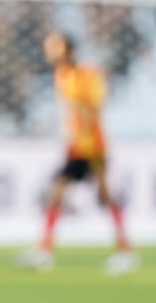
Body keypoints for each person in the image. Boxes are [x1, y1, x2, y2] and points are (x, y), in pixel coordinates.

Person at [19, 32, 135, 275]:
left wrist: (81, 124)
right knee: (56, 193)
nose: (49, 51)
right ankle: (45, 250)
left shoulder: (88, 74)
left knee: (104, 195)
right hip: (76, 147)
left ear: (67, 49)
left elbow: (95, 107)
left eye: (54, 47)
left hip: (93, 146)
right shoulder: (62, 76)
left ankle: (125, 252)